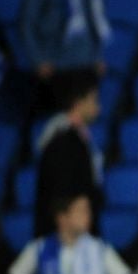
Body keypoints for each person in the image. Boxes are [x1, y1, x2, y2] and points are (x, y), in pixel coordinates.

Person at [33, 70, 103, 237]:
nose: (98, 107)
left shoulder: (79, 136)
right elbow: (62, 190)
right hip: (66, 233)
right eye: (93, 100)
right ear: (79, 102)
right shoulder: (61, 139)